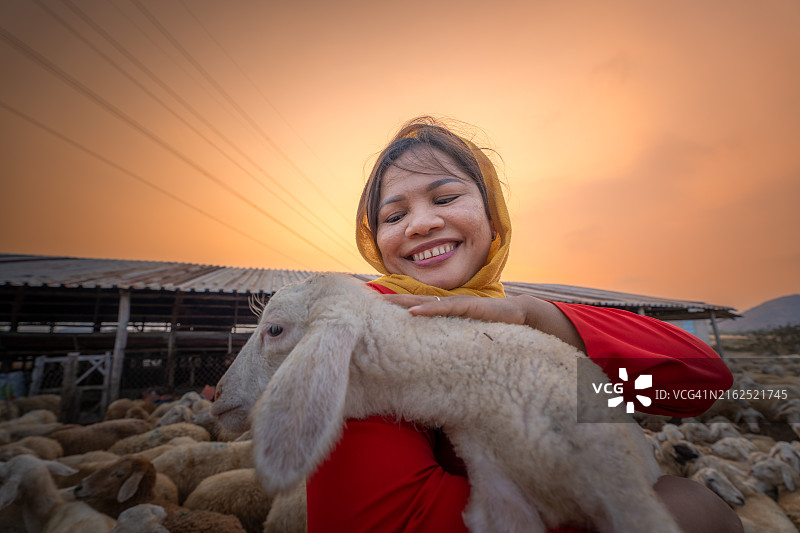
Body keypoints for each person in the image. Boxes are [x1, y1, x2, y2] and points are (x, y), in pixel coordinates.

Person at [306, 116, 740, 532]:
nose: (421, 224)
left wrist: (538, 316)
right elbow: (390, 520)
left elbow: (702, 380)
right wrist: (680, 511)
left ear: (493, 215)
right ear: (375, 242)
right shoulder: (364, 330)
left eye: (445, 198)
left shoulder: (519, 316)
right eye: (394, 216)